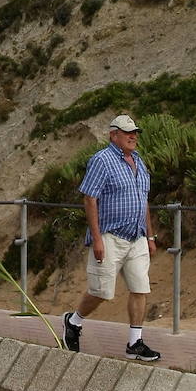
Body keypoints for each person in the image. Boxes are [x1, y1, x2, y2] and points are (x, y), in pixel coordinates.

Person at [62, 113, 160, 361]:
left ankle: (135, 343)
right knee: (101, 291)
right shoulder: (102, 160)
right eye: (128, 132)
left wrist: (150, 236)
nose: (133, 136)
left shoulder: (139, 161)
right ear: (113, 135)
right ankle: (73, 322)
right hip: (110, 235)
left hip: (136, 236)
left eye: (135, 132)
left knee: (141, 288)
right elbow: (89, 197)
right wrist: (96, 238)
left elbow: (143, 201)